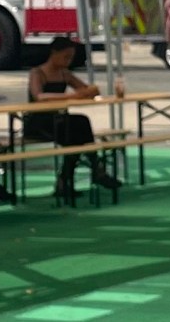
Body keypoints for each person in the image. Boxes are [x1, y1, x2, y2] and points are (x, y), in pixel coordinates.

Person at [22, 35, 114, 199]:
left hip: (59, 119)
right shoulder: (37, 73)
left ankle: (70, 179)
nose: (68, 60)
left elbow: (85, 89)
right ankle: (91, 169)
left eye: (70, 57)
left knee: (80, 124)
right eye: (65, 56)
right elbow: (39, 97)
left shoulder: (65, 74)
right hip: (39, 122)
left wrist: (91, 91)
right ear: (54, 53)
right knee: (76, 131)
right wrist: (71, 97)